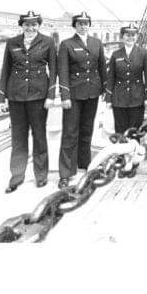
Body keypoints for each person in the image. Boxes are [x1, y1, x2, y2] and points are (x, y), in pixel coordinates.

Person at [0, 10, 57, 193]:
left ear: (39, 25)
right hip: (16, 96)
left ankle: (40, 175)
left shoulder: (48, 42)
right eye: (27, 24)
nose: (30, 27)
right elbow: (5, 70)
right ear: (21, 25)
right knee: (18, 138)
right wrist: (0, 98)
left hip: (39, 96)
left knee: (39, 136)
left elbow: (53, 71)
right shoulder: (12, 43)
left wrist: (51, 95)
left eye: (34, 24)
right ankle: (17, 176)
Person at [56, 12, 107, 189]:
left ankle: (84, 164)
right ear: (75, 25)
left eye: (86, 23)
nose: (83, 26)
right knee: (70, 133)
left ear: (89, 25)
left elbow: (102, 68)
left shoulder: (96, 43)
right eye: (80, 23)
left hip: (92, 93)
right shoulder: (66, 44)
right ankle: (65, 173)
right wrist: (65, 96)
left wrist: (105, 90)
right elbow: (62, 72)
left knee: (86, 130)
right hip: (74, 94)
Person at [105, 23, 147, 177]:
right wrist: (108, 98)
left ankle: (133, 164)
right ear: (122, 37)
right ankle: (122, 163)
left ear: (136, 36)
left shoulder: (143, 53)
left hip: (137, 98)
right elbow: (110, 77)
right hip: (119, 99)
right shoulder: (115, 54)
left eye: (133, 34)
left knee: (134, 132)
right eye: (127, 34)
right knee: (120, 132)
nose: (130, 37)